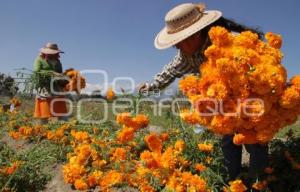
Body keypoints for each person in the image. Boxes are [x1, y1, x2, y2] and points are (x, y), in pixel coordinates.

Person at [139, 2, 268, 183]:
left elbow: (262, 69)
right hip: (222, 104)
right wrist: (150, 86)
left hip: (250, 98)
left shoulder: (233, 42)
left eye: (178, 42)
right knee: (228, 140)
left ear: (195, 34)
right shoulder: (187, 56)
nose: (176, 47)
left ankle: (261, 182)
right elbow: (169, 72)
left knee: (255, 143)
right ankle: (232, 181)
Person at [33, 43, 69, 124]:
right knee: (44, 110)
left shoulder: (58, 61)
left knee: (60, 108)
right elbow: (37, 71)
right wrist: (52, 73)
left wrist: (63, 77)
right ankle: (43, 128)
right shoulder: (39, 59)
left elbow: (60, 72)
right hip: (44, 86)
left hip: (56, 86)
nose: (53, 54)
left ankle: (64, 127)